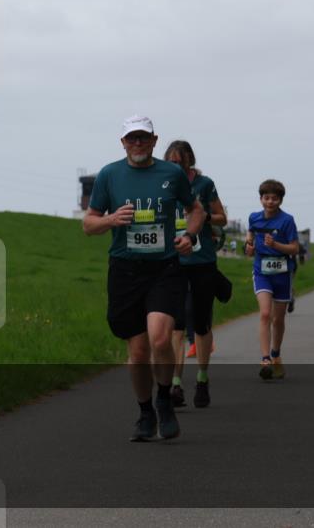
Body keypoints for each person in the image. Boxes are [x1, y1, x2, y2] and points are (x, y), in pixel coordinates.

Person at [84, 115, 204, 441]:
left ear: (154, 140)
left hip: (164, 268)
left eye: (143, 138)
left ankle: (164, 399)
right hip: (125, 270)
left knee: (161, 338)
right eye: (131, 139)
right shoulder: (109, 175)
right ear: (122, 142)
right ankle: (145, 411)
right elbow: (88, 224)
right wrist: (110, 219)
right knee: (137, 352)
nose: (137, 144)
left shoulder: (171, 173)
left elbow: (196, 210)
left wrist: (189, 237)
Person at [164, 141, 226, 409]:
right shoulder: (163, 184)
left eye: (179, 162)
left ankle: (202, 379)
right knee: (176, 326)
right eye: (170, 162)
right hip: (173, 261)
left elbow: (222, 217)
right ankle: (175, 385)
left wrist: (203, 219)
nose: (174, 167)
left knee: (201, 324)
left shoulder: (204, 183)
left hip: (202, 261)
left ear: (189, 161)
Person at [244, 179, 299, 380]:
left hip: (283, 273)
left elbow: (295, 248)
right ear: (260, 199)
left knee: (278, 319)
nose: (270, 202)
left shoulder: (287, 220)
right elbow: (250, 236)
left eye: (274, 199)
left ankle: (276, 354)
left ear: (280, 200)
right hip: (262, 272)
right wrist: (249, 246)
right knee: (265, 314)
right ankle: (265, 359)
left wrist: (276, 245)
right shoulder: (254, 218)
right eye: (266, 198)